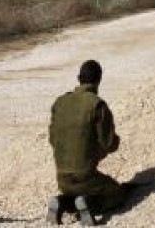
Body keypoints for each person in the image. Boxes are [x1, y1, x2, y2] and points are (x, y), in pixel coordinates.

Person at [47, 60, 125, 226]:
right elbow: (109, 143)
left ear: (78, 78)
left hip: (61, 179)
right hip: (85, 178)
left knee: (75, 195)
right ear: (99, 80)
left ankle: (61, 202)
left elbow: (52, 140)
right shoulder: (97, 105)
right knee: (117, 193)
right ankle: (89, 204)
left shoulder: (60, 102)